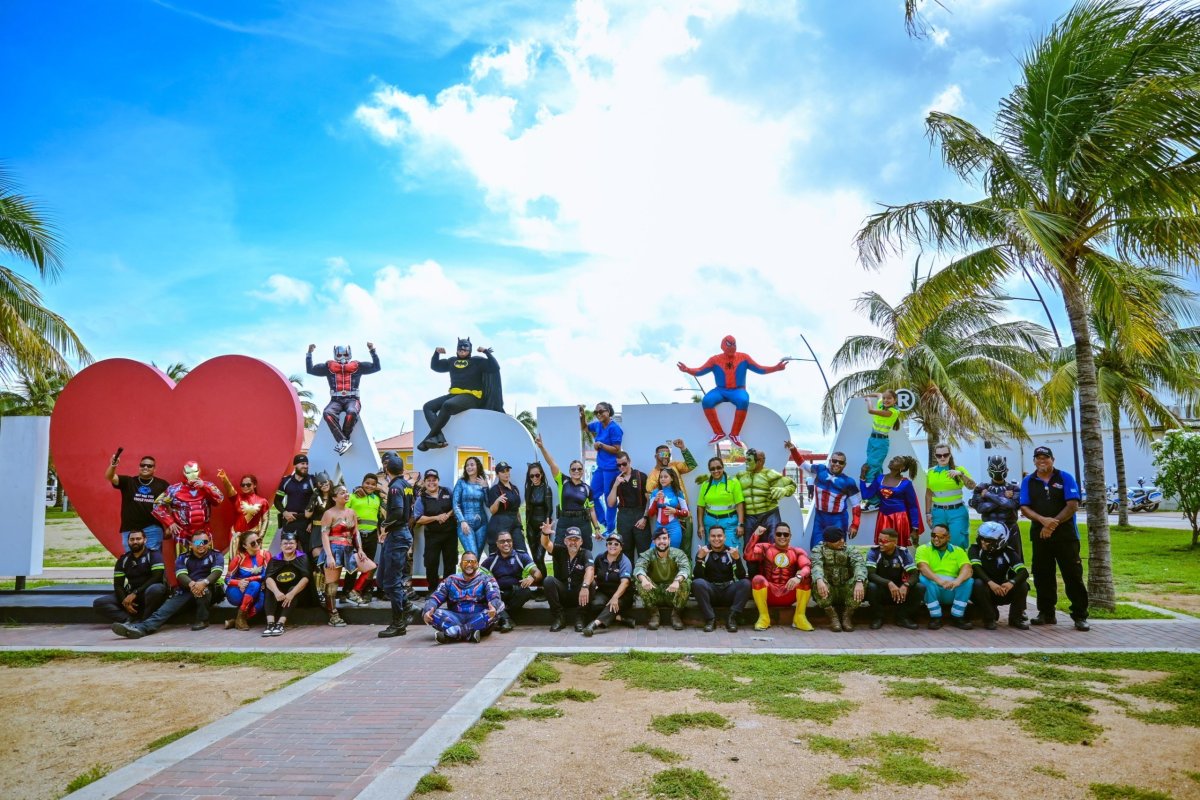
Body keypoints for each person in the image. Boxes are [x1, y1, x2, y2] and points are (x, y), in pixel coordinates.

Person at [1020, 446, 1089, 631]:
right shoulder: (1028, 481)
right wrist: (1043, 521)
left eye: (1046, 457)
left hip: (1066, 536)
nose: (1042, 461)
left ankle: (1080, 615)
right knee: (1042, 575)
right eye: (1038, 457)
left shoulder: (1065, 477)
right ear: (1034, 460)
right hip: (1040, 535)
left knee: (1073, 575)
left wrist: (1052, 524)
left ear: (1052, 459)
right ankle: (1046, 613)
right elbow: (1024, 507)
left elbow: (1072, 505)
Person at [677, 334, 787, 446]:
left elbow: (760, 369)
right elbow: (700, 371)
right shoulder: (715, 360)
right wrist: (687, 369)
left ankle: (734, 434)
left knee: (743, 400)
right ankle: (718, 432)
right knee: (707, 401)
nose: (732, 347)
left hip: (738, 390)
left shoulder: (744, 357)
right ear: (723, 346)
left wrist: (776, 368)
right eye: (729, 345)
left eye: (734, 344)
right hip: (720, 390)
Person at [111, 533, 224, 638]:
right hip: (188, 590)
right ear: (190, 544)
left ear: (209, 543)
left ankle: (202, 620)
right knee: (165, 610)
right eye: (197, 542)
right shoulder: (183, 557)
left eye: (204, 542)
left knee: (203, 589)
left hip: (210, 591)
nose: (201, 545)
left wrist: (203, 583)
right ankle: (140, 629)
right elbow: (181, 575)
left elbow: (217, 572)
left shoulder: (216, 555)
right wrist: (193, 585)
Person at [534, 435, 602, 579]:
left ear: (582, 471)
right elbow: (551, 463)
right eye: (573, 469)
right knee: (558, 550)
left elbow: (591, 510)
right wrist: (541, 447)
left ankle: (583, 582)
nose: (576, 471)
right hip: (565, 521)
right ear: (569, 471)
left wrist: (596, 528)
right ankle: (559, 582)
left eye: (579, 469)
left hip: (582, 523)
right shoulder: (562, 481)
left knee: (585, 551)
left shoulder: (587, 488)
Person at [418, 338, 503, 451]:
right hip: (453, 395)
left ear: (470, 349)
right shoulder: (452, 361)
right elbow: (435, 366)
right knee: (428, 406)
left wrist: (486, 352)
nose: (462, 349)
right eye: (460, 348)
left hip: (472, 397)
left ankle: (428, 439)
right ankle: (439, 438)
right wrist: (436, 353)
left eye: (465, 347)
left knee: (448, 405)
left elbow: (495, 367)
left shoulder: (477, 361)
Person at [306, 342, 380, 455]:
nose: (342, 357)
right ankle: (343, 441)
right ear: (335, 355)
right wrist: (309, 353)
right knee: (327, 413)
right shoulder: (329, 367)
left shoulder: (357, 366)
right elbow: (310, 370)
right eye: (339, 355)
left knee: (351, 412)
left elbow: (376, 367)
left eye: (345, 354)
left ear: (349, 354)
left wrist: (372, 350)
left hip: (352, 399)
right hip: (336, 400)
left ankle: (344, 440)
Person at [421, 551, 503, 644]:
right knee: (433, 613)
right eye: (465, 562)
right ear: (460, 565)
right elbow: (436, 597)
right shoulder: (450, 580)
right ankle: (469, 634)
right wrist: (428, 610)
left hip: (478, 616)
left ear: (477, 564)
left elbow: (494, 595)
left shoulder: (487, 579)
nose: (469, 565)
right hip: (455, 618)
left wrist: (493, 606)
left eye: (472, 562)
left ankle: (453, 634)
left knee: (495, 611)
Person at [787, 444, 860, 548]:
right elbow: (802, 464)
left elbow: (856, 505)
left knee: (838, 548)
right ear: (830, 461)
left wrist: (855, 525)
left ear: (845, 465)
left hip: (838, 518)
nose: (837, 464)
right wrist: (793, 450)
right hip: (820, 517)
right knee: (816, 547)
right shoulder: (820, 470)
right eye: (834, 461)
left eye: (841, 462)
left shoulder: (848, 482)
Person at [743, 521, 811, 631]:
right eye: (779, 534)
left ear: (790, 536)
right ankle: (764, 617)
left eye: (786, 534)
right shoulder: (765, 548)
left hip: (788, 592)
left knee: (805, 578)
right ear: (774, 535)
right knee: (757, 579)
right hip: (769, 594)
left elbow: (807, 567)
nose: (782, 537)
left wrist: (798, 577)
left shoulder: (797, 551)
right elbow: (748, 555)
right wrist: (755, 536)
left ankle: (800, 617)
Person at [318, 485, 369, 627]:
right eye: (342, 493)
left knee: (370, 567)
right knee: (332, 584)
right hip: (333, 549)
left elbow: (355, 533)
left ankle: (352, 592)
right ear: (334, 497)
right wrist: (329, 556)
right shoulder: (329, 513)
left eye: (347, 492)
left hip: (349, 549)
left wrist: (360, 549)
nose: (346, 494)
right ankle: (333, 615)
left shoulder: (352, 512)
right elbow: (324, 535)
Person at [92, 529, 168, 623]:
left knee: (156, 589)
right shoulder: (123, 559)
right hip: (132, 596)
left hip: (150, 594)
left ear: (145, 540)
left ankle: (145, 621)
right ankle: (129, 620)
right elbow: (118, 585)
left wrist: (135, 593)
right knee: (99, 603)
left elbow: (157, 577)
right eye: (132, 539)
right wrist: (125, 601)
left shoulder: (154, 555)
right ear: (128, 541)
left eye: (138, 539)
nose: (135, 542)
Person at [151, 461, 224, 555]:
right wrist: (170, 522)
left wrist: (204, 487)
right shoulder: (174, 490)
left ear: (199, 471)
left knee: (204, 558)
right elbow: (157, 505)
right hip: (183, 534)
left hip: (203, 533)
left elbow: (219, 499)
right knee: (183, 560)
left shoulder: (208, 485)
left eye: (195, 471)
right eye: (189, 472)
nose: (192, 475)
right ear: (184, 473)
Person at [378, 452, 414, 638]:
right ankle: (407, 606)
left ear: (387, 469)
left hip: (397, 534)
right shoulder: (407, 486)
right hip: (401, 533)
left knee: (391, 581)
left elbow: (398, 512)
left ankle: (398, 623)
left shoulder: (394, 487)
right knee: (383, 579)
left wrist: (385, 525)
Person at [969, 521, 1031, 630]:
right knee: (978, 583)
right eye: (982, 538)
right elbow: (976, 568)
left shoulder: (1008, 552)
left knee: (1023, 585)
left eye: (988, 541)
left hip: (1002, 590)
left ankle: (1015, 618)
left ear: (1000, 541)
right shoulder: (975, 549)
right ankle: (989, 618)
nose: (983, 542)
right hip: (983, 590)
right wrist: (990, 583)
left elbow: (1023, 572)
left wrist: (1011, 583)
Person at [104, 451, 169, 552]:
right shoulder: (128, 482)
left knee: (153, 558)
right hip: (130, 530)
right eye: (143, 465)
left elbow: (170, 505)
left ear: (154, 469)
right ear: (139, 467)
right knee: (132, 559)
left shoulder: (162, 485)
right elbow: (110, 477)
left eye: (149, 466)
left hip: (153, 529)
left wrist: (169, 525)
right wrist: (113, 465)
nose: (145, 467)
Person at [915, 523, 974, 630]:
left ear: (948, 537)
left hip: (953, 588)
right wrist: (940, 581)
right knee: (923, 579)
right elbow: (923, 567)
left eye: (940, 537)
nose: (936, 539)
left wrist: (957, 581)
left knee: (968, 581)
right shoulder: (923, 549)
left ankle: (957, 616)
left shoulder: (958, 550)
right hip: (934, 586)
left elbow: (967, 569)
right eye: (933, 535)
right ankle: (935, 617)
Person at [692, 525, 750, 632]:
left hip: (728, 591)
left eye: (719, 536)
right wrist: (700, 558)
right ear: (709, 538)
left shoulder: (730, 552)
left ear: (725, 537)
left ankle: (732, 618)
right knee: (697, 583)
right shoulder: (704, 551)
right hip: (711, 592)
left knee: (746, 583)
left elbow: (741, 576)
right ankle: (710, 619)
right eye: (713, 536)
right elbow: (697, 576)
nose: (716, 539)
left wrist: (737, 559)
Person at [480, 531, 540, 632]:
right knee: (485, 594)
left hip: (515, 593)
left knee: (526, 592)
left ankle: (502, 615)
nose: (506, 543)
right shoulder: (491, 559)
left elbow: (538, 573)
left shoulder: (521, 556)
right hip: (499, 594)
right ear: (497, 544)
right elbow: (479, 577)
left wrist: (531, 578)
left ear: (512, 542)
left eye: (508, 541)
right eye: (502, 541)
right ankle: (507, 620)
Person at [735, 447, 796, 546]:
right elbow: (727, 483)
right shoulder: (740, 476)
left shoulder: (769, 474)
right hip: (749, 517)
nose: (746, 462)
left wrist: (784, 490)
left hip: (769, 515)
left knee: (774, 545)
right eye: (746, 459)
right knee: (749, 547)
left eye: (749, 460)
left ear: (759, 461)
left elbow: (792, 485)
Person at [633, 528, 691, 631]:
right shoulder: (648, 554)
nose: (662, 541)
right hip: (654, 591)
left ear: (669, 540)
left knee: (685, 581)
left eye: (664, 538)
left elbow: (685, 569)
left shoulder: (678, 553)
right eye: (658, 539)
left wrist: (677, 581)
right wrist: (644, 579)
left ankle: (676, 614)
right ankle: (654, 613)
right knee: (640, 580)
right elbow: (639, 568)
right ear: (654, 541)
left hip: (672, 591)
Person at [539, 523, 594, 632]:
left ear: (581, 542)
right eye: (570, 539)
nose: (573, 542)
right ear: (565, 541)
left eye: (576, 539)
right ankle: (559, 617)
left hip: (579, 595)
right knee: (548, 580)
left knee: (591, 583)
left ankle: (580, 617)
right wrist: (545, 533)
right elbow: (546, 544)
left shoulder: (586, 553)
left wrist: (585, 587)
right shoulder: (560, 550)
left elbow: (590, 570)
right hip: (563, 592)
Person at [810, 528, 867, 632]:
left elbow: (859, 565)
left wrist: (859, 581)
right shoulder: (818, 550)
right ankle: (832, 616)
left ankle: (847, 616)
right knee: (816, 580)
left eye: (842, 538)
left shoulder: (850, 550)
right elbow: (816, 565)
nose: (842, 541)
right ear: (828, 542)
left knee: (861, 581)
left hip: (846, 590)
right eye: (837, 540)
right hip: (828, 590)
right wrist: (819, 580)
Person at [865, 528, 923, 629]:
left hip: (899, 591)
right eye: (879, 540)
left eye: (885, 541)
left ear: (895, 542)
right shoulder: (874, 552)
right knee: (871, 586)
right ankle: (878, 617)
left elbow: (914, 574)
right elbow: (870, 574)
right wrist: (888, 583)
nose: (881, 544)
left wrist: (906, 585)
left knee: (920, 587)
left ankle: (903, 617)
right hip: (881, 589)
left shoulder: (903, 553)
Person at [859, 455, 923, 547]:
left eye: (897, 460)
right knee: (882, 545)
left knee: (898, 547)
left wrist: (915, 528)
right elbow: (866, 495)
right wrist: (862, 476)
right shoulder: (880, 478)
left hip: (899, 519)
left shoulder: (906, 483)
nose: (892, 460)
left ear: (902, 467)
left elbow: (912, 506)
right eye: (893, 458)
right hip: (883, 517)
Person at [648, 440, 698, 554]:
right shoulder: (652, 475)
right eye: (663, 454)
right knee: (657, 553)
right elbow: (649, 498)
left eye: (668, 454)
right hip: (662, 520)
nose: (666, 456)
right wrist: (655, 502)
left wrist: (683, 448)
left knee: (684, 551)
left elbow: (692, 465)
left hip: (683, 517)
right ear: (656, 456)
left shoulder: (674, 466)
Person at [970, 455, 1024, 560]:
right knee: (988, 562)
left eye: (1001, 468)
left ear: (1006, 469)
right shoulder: (981, 487)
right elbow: (981, 508)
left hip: (1010, 529)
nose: (998, 471)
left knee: (1014, 559)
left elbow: (1013, 505)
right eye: (994, 468)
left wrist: (988, 495)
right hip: (988, 531)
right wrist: (1003, 497)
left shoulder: (1014, 488)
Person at [414, 469, 458, 594]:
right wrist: (436, 517)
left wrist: (447, 515)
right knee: (431, 562)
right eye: (428, 480)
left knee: (450, 562)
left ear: (438, 481)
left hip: (450, 534)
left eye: (434, 480)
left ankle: (449, 590)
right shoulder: (421, 498)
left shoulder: (447, 491)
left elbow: (456, 506)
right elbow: (418, 518)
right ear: (424, 482)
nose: (431, 483)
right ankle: (433, 590)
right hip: (432, 535)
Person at [924, 444, 976, 549]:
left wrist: (961, 474)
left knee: (957, 543)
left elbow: (972, 486)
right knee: (938, 543)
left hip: (957, 512)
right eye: (939, 455)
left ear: (950, 455)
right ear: (935, 456)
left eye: (945, 455)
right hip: (938, 512)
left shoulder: (959, 469)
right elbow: (928, 494)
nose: (942, 457)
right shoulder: (930, 472)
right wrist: (928, 514)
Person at [583, 402, 623, 536]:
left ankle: (610, 529)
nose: (598, 414)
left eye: (601, 411)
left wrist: (601, 445)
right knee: (591, 495)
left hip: (612, 468)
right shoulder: (598, 425)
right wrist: (583, 416)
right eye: (596, 412)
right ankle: (605, 523)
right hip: (601, 468)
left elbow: (617, 449)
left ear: (608, 411)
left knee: (609, 499)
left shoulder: (615, 428)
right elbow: (585, 428)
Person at [583, 533, 635, 636]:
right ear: (606, 545)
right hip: (604, 592)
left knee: (613, 605)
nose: (612, 546)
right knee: (595, 605)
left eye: (616, 544)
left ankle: (593, 625)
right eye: (610, 543)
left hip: (622, 595)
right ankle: (621, 618)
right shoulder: (599, 558)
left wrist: (615, 597)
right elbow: (593, 573)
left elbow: (625, 583)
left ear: (621, 547)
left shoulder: (625, 561)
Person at [262, 531, 310, 637]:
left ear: (296, 544)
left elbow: (306, 578)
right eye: (285, 543)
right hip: (279, 594)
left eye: (291, 543)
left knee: (293, 589)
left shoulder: (302, 558)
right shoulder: (275, 560)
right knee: (270, 588)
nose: (288, 546)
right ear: (281, 545)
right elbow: (268, 578)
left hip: (297, 592)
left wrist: (292, 593)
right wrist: (276, 592)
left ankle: (280, 624)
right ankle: (270, 624)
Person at [346, 473, 383, 604]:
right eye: (367, 483)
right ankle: (347, 592)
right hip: (355, 535)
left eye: (373, 484)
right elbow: (344, 513)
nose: (370, 486)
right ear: (362, 483)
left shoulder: (377, 498)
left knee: (369, 565)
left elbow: (379, 518)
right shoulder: (353, 496)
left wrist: (379, 534)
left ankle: (364, 591)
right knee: (353, 565)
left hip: (371, 536)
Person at [861, 390, 902, 509]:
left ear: (895, 400)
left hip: (881, 443)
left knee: (870, 470)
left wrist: (868, 400)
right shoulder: (881, 403)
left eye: (889, 398)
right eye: (885, 398)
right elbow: (879, 394)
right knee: (877, 471)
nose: (885, 400)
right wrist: (869, 394)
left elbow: (870, 411)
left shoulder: (892, 411)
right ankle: (879, 498)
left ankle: (871, 500)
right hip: (872, 439)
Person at [695, 457, 746, 551]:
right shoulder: (705, 484)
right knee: (711, 552)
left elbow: (740, 504)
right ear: (709, 470)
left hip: (729, 522)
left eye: (718, 467)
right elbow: (700, 506)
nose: (716, 471)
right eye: (712, 469)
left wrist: (741, 524)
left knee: (731, 551)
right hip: (710, 522)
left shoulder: (733, 482)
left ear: (723, 467)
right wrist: (700, 526)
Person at [223, 530, 270, 631]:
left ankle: (238, 620)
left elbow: (267, 574)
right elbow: (227, 579)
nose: (257, 544)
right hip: (237, 591)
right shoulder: (238, 558)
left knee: (261, 600)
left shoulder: (265, 555)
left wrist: (249, 579)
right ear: (244, 545)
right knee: (255, 585)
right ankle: (240, 619)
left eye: (259, 541)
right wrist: (238, 582)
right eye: (253, 543)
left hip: (258, 590)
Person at [607, 451, 649, 559]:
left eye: (624, 464)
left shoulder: (641, 476)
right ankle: (627, 570)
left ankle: (642, 571)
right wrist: (615, 485)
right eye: (619, 465)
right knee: (625, 550)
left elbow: (649, 500)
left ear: (629, 461)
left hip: (640, 514)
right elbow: (610, 503)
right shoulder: (616, 480)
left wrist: (645, 517)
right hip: (624, 516)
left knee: (644, 550)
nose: (622, 467)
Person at [216, 469, 270, 551]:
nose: (245, 487)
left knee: (252, 558)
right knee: (236, 558)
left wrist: (260, 537)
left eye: (248, 484)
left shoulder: (263, 501)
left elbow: (265, 520)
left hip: (252, 537)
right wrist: (224, 478)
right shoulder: (237, 498)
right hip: (236, 536)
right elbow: (229, 488)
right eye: (243, 485)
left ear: (254, 485)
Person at [304, 472, 336, 601]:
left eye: (325, 482)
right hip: (317, 530)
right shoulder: (315, 497)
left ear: (329, 482)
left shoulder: (335, 496)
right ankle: (319, 591)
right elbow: (307, 514)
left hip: (332, 530)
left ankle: (329, 590)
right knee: (318, 561)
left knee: (331, 561)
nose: (324, 485)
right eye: (321, 484)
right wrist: (313, 498)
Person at [644, 467, 690, 550]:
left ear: (672, 478)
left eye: (665, 477)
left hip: (674, 528)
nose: (662, 479)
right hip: (659, 528)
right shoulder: (655, 492)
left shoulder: (678, 492)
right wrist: (655, 500)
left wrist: (675, 511)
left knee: (672, 554)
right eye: (661, 477)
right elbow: (651, 513)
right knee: (653, 552)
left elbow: (686, 512)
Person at [453, 456, 490, 557]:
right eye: (467, 465)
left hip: (482, 524)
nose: (469, 467)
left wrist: (485, 487)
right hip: (466, 523)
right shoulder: (461, 482)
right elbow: (455, 504)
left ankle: (473, 569)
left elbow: (488, 503)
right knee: (472, 555)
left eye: (472, 465)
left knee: (477, 557)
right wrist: (462, 521)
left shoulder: (483, 482)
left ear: (478, 466)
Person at [274, 454, 315, 544]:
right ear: (295, 465)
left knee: (307, 551)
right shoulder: (286, 481)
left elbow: (317, 503)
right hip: (290, 520)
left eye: (307, 464)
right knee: (288, 548)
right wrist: (284, 512)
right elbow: (277, 501)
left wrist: (312, 522)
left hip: (305, 522)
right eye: (302, 463)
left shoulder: (312, 480)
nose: (305, 466)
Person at [523, 462, 554, 580]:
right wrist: (526, 526)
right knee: (535, 559)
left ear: (541, 474)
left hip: (542, 527)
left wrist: (546, 528)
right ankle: (539, 583)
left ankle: (544, 584)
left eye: (537, 475)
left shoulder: (546, 489)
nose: (535, 478)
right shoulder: (529, 489)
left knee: (539, 557)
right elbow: (527, 509)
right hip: (531, 526)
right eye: (532, 476)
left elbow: (549, 509)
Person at [486, 461, 523, 553]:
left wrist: (520, 526)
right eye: (503, 471)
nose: (506, 473)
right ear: (497, 475)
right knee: (501, 553)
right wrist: (497, 501)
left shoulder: (515, 488)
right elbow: (492, 511)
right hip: (500, 523)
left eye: (507, 470)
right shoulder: (495, 489)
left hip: (515, 523)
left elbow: (517, 509)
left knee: (521, 550)